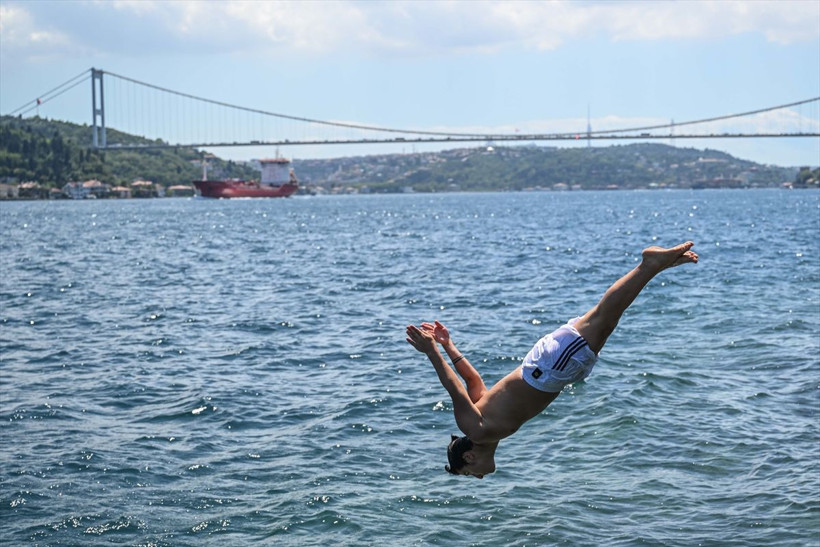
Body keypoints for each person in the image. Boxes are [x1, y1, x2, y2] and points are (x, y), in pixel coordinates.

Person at [405, 242, 698, 479]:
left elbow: (455, 388)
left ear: (468, 457)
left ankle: (649, 265)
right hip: (550, 369)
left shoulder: (476, 429)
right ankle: (653, 268)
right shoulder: (487, 423)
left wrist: (433, 350)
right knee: (605, 318)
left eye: (470, 474)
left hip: (548, 370)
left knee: (605, 317)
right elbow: (473, 381)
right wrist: (449, 345)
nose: (478, 477)